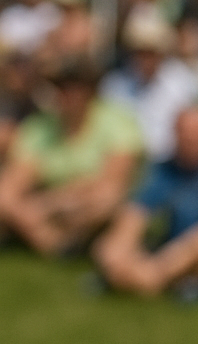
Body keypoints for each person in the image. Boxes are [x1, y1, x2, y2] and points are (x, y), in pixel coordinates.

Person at [92, 102, 198, 298]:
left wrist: (160, 272)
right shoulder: (164, 169)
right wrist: (116, 256)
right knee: (107, 248)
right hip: (171, 246)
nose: (190, 142)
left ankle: (184, 282)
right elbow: (132, 217)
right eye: (184, 135)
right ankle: (172, 283)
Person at [0, 58, 142, 255]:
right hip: (43, 210)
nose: (62, 93)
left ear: (91, 90)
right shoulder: (39, 127)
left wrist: (46, 204)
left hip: (77, 206)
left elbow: (113, 181)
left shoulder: (119, 121)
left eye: (71, 86)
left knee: (107, 198)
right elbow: (14, 182)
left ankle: (40, 237)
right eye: (58, 86)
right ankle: (55, 243)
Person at [101, 4, 198, 163]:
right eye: (140, 51)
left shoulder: (183, 81)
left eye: (151, 51)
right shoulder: (114, 85)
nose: (145, 58)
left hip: (173, 165)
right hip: (127, 163)